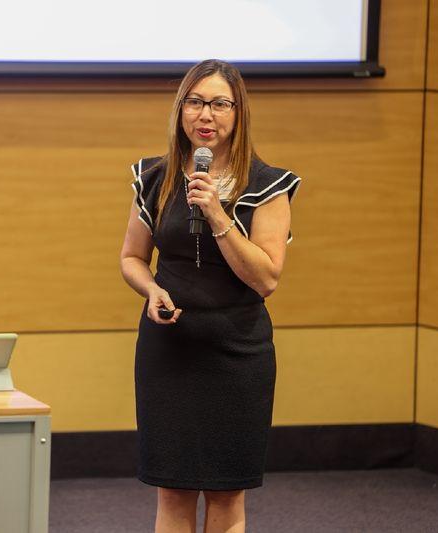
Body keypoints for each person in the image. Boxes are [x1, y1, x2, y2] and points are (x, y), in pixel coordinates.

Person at [119, 59, 301, 533]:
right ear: (181, 110)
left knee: (225, 493)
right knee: (173, 490)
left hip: (236, 353)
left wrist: (218, 215)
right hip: (168, 351)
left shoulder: (268, 185)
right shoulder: (154, 177)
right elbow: (132, 258)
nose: (207, 114)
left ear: (239, 113)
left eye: (221, 103)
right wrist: (151, 288)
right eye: (195, 102)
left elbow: (266, 279)